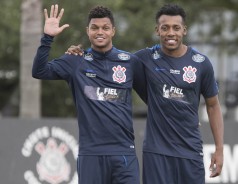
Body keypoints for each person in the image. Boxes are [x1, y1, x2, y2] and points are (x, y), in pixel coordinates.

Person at [67, 4, 224, 184]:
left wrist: (219, 149)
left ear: (184, 31)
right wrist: (80, 54)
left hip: (190, 150)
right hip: (156, 152)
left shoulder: (201, 63)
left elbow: (213, 105)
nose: (170, 33)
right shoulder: (143, 58)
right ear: (157, 30)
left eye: (176, 28)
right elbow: (109, 59)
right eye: (165, 28)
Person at [32, 4, 147, 184]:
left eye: (105, 28)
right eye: (95, 28)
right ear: (87, 31)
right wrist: (48, 38)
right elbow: (39, 71)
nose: (100, 32)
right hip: (91, 154)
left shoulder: (130, 62)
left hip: (124, 152)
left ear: (113, 31)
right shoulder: (75, 61)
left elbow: (151, 98)